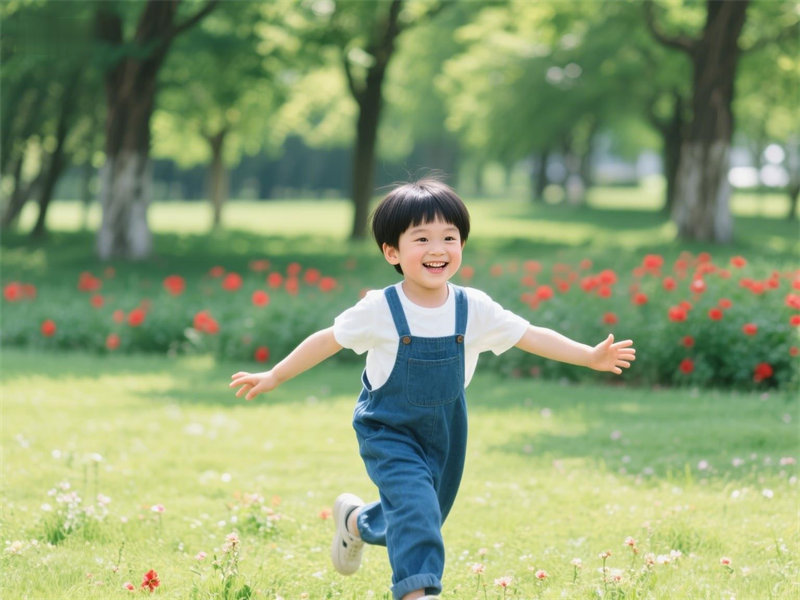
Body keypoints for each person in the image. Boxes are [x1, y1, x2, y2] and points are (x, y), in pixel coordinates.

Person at [229, 178, 636, 600]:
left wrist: (589, 356)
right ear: (392, 252)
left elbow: (529, 334)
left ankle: (354, 522)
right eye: (421, 238)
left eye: (449, 237)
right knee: (418, 514)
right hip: (387, 429)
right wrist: (275, 375)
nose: (438, 248)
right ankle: (419, 593)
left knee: (419, 516)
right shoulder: (380, 309)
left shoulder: (472, 307)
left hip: (445, 433)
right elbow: (328, 339)